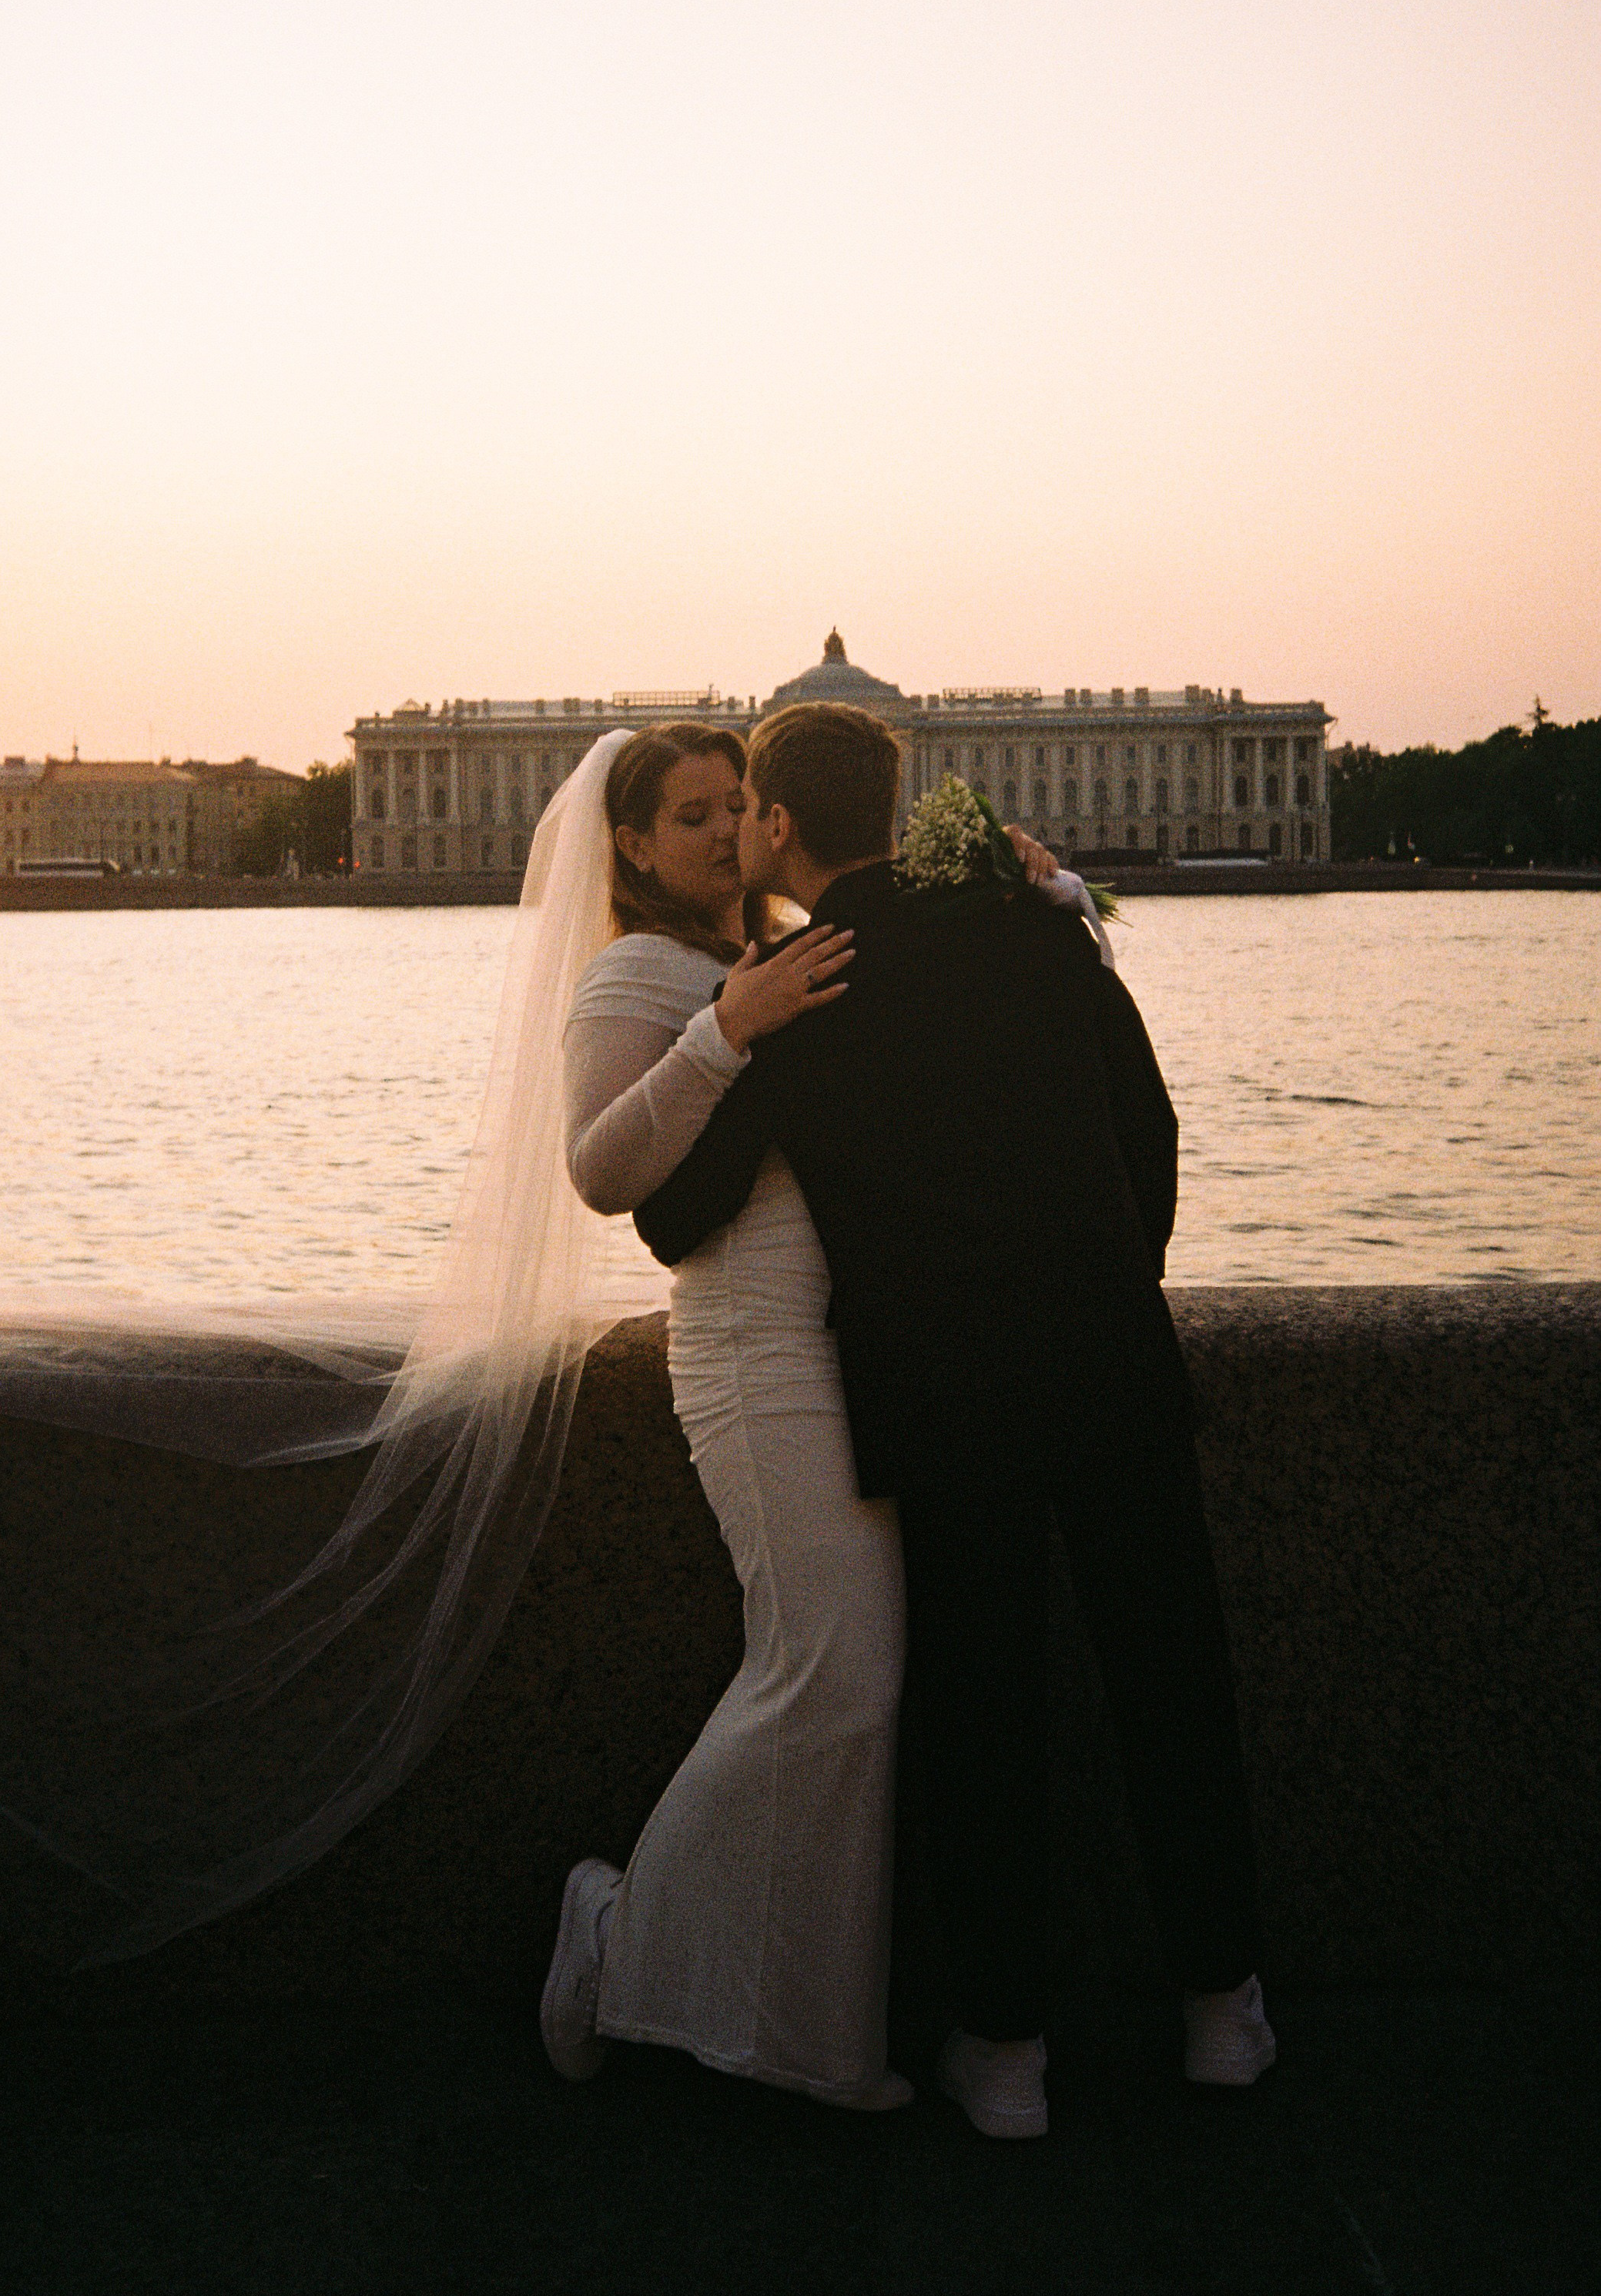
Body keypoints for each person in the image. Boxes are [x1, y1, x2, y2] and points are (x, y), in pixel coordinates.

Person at [631, 701, 1274, 2140]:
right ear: (903, 797)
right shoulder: (1041, 929)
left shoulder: (798, 982)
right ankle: (1222, 2011)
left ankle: (1005, 2056)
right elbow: (1148, 1131)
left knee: (985, 1714)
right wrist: (1114, 1282)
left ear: (781, 824)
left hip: (945, 1397)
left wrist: (726, 1035)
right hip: (1109, 1362)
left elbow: (673, 1214)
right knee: (1172, 1685)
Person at [538, 719, 1063, 2111]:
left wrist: (1030, 895)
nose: (720, 832)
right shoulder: (636, 972)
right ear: (635, 844)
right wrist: (722, 1033)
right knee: (828, 1669)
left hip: (852, 1348)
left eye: (734, 807)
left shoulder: (788, 946)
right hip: (747, 1351)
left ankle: (814, 2038)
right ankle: (614, 1929)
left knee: (852, 1682)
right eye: (690, 815)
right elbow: (599, 1168)